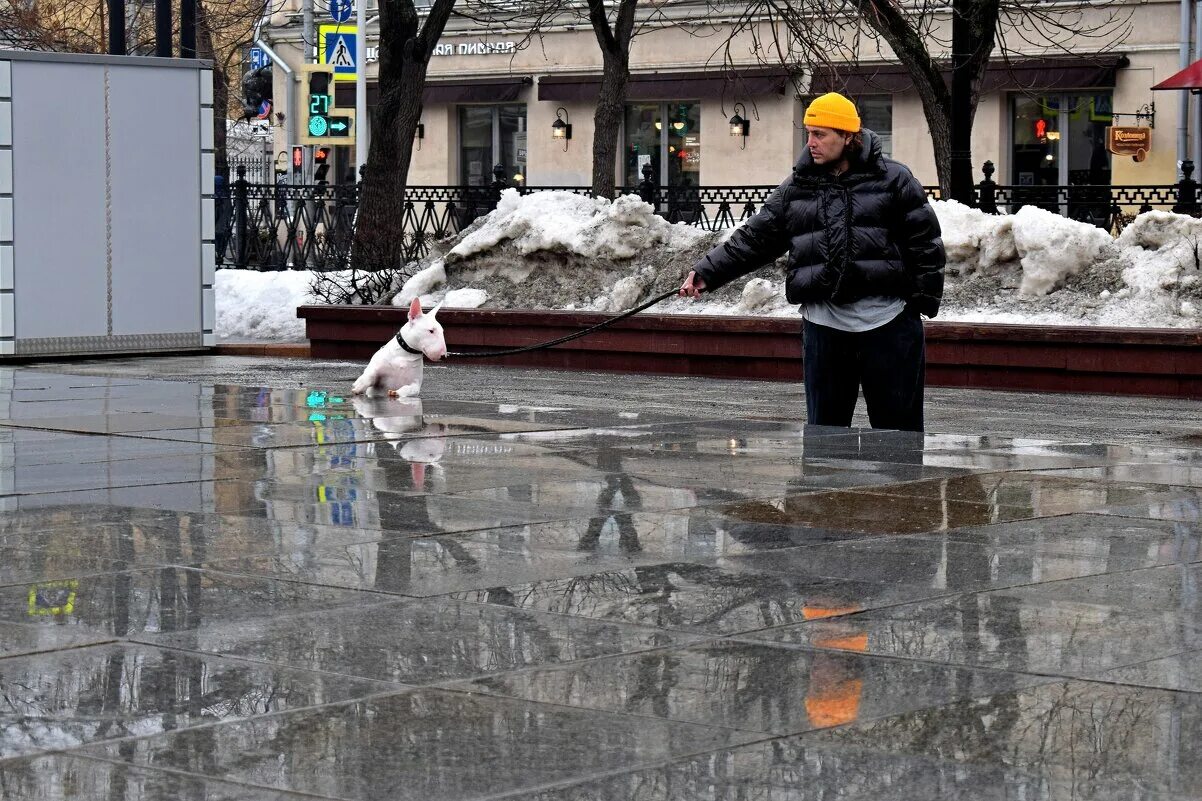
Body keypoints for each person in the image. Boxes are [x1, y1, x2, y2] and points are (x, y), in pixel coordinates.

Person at [679, 92, 945, 432]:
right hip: (825, 330)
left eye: (820, 134)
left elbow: (925, 244)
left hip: (889, 327)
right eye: (808, 133)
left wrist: (919, 306)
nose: (811, 143)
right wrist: (707, 272)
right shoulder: (797, 186)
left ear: (848, 137)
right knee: (825, 440)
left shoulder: (894, 180)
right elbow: (756, 238)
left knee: (899, 437)